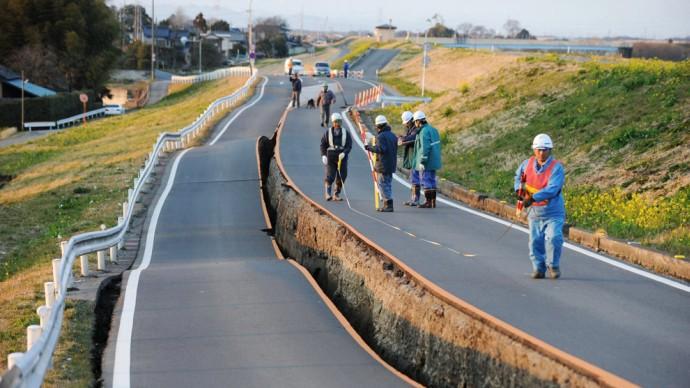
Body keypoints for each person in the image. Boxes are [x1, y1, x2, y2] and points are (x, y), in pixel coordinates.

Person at [514, 133, 566, 279]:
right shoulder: (527, 164)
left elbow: (553, 189)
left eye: (545, 150)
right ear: (534, 150)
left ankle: (553, 265)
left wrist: (533, 198)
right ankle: (538, 268)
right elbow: (518, 178)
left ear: (550, 150)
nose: (541, 153)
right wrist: (519, 191)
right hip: (535, 213)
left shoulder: (556, 168)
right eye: (539, 150)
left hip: (553, 212)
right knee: (535, 242)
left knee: (554, 238)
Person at [365, 115, 398, 212]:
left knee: (383, 184)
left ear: (378, 126)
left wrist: (369, 147)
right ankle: (387, 204)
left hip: (383, 164)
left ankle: (388, 205)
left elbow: (381, 149)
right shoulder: (392, 135)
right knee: (387, 184)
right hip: (391, 163)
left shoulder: (381, 136)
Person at [412, 111, 442, 208]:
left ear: (418, 121)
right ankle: (433, 202)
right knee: (432, 180)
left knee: (426, 181)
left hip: (427, 160)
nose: (415, 124)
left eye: (415, 122)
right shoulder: (433, 129)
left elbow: (425, 148)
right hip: (435, 159)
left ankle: (428, 202)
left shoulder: (423, 131)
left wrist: (422, 161)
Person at [320, 112, 352, 201]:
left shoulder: (346, 133)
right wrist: (323, 155)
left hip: (342, 157)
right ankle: (328, 193)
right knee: (330, 176)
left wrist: (344, 153)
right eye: (335, 122)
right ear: (333, 122)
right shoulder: (328, 132)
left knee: (342, 176)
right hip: (331, 156)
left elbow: (349, 146)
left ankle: (336, 193)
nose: (337, 124)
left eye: (339, 122)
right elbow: (323, 145)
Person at [398, 111, 421, 206]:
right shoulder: (411, 128)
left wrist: (403, 139)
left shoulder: (416, 129)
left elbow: (412, 138)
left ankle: (415, 199)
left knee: (415, 179)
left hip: (415, 157)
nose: (406, 124)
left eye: (407, 122)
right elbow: (408, 137)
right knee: (413, 178)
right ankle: (413, 198)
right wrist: (402, 137)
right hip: (413, 157)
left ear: (412, 120)